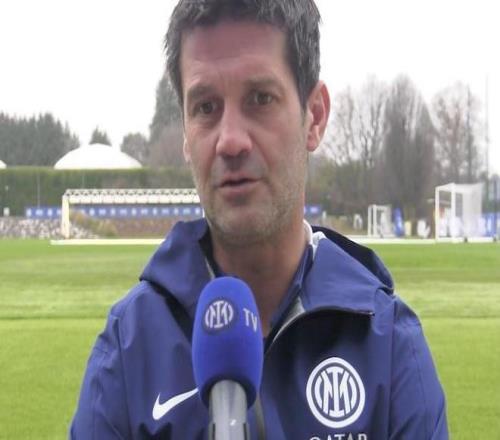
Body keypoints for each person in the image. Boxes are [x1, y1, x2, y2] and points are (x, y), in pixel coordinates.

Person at [70, 0, 448, 438]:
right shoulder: (129, 348)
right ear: (187, 136)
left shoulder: (388, 344)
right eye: (206, 107)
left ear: (314, 117)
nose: (230, 141)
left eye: (260, 99)